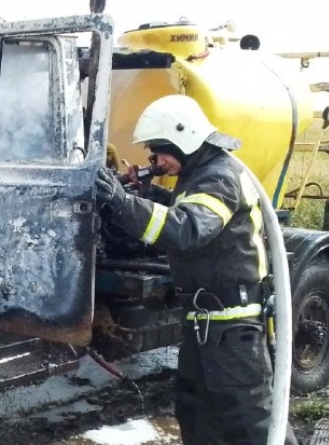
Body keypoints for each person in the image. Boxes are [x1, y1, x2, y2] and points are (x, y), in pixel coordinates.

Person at [94, 94, 298, 445]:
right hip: (205, 325)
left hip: (232, 328)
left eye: (160, 151)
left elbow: (187, 230)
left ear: (184, 138)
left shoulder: (219, 178)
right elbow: (185, 209)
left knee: (249, 423)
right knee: (197, 416)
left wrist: (123, 204)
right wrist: (146, 194)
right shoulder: (201, 174)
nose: (155, 160)